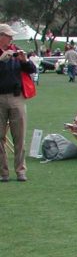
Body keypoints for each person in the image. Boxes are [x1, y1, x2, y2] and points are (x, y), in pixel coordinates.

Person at [0, 23, 36, 182]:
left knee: (19, 136)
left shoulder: (16, 50)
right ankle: (3, 172)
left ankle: (20, 170)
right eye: (8, 36)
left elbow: (32, 70)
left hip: (16, 97)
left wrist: (24, 61)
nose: (11, 38)